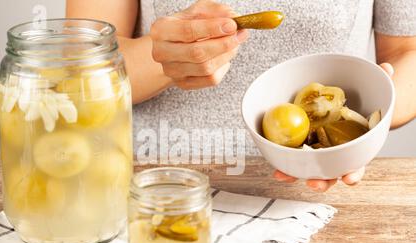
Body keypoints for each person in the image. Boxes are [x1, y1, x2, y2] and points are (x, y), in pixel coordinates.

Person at [66, 0, 416, 192]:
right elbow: (77, 67)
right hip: (155, 188)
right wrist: (169, 59)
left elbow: (406, 49)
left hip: (317, 196)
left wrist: (368, 128)